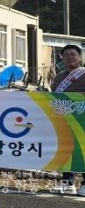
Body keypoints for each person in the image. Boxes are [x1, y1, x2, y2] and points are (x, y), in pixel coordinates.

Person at [49, 44, 85, 196]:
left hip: (82, 120)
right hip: (64, 121)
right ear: (62, 59)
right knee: (66, 151)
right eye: (66, 55)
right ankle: (68, 183)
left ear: (80, 57)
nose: (70, 57)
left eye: (73, 54)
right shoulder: (58, 77)